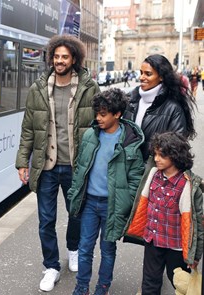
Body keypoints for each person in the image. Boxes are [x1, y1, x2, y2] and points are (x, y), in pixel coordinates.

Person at [15, 34, 100, 292]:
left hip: (76, 166)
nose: (60, 61)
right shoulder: (38, 89)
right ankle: (51, 266)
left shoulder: (89, 87)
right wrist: (22, 162)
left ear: (74, 58)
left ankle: (73, 249)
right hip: (47, 166)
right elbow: (28, 128)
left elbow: (100, 124)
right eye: (56, 56)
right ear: (51, 58)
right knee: (45, 220)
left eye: (65, 56)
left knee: (76, 214)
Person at [68, 88, 145, 295]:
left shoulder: (130, 142)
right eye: (97, 113)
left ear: (117, 114)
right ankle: (81, 287)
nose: (98, 118)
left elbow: (135, 178)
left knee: (108, 249)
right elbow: (80, 169)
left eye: (103, 114)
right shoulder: (90, 136)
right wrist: (73, 193)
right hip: (90, 203)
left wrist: (125, 202)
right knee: (84, 248)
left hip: (112, 205)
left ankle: (103, 288)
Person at [125, 132, 203, 295]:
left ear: (175, 156)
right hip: (153, 241)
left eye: (162, 155)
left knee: (180, 284)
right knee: (149, 283)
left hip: (175, 246)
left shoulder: (187, 185)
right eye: (155, 154)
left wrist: (195, 255)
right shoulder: (152, 175)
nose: (156, 158)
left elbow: (198, 223)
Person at [123, 54, 196, 162]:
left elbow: (176, 149)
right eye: (141, 73)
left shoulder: (173, 109)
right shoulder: (130, 100)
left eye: (148, 74)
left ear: (161, 76)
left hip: (153, 173)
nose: (142, 77)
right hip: (127, 170)